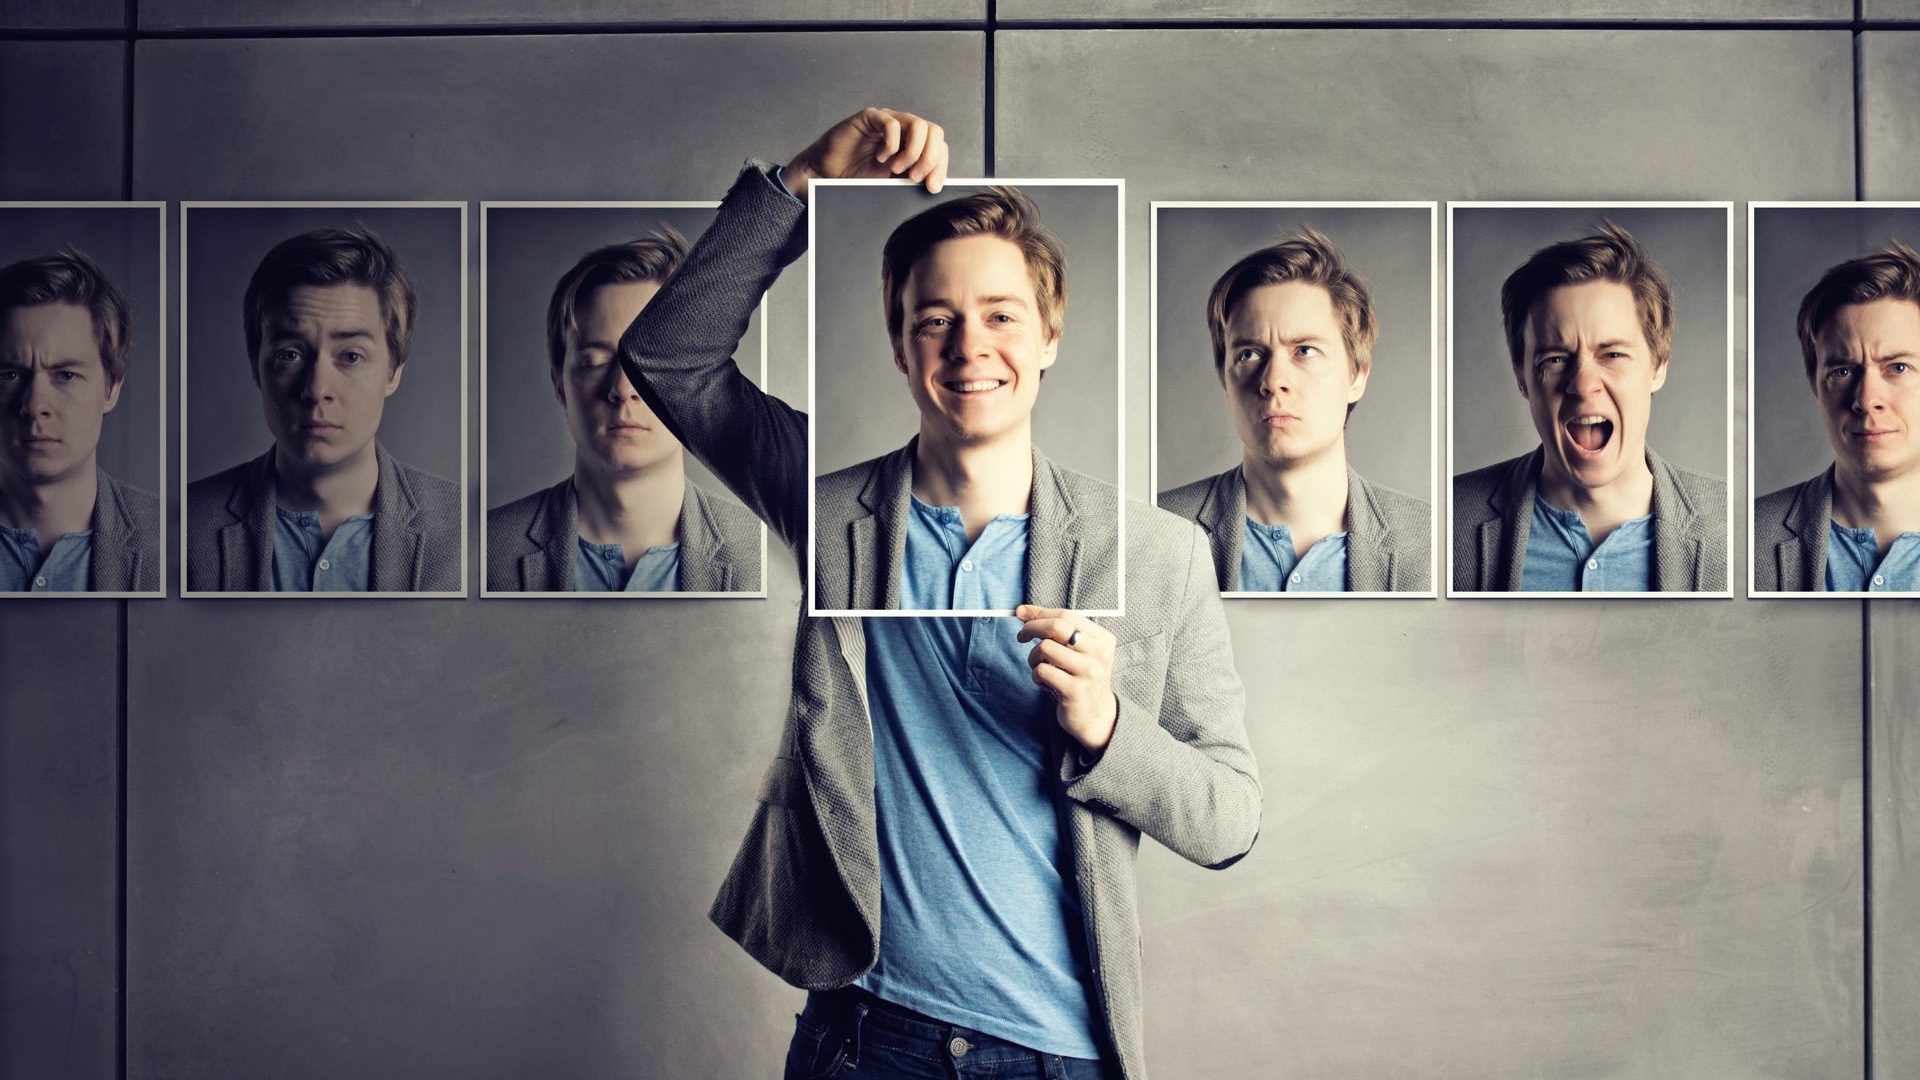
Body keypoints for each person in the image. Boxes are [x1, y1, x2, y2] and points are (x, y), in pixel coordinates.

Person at [616, 108, 1259, 1080]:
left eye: (1001, 315)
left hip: (1057, 1055)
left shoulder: (1157, 553)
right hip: (865, 1039)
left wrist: (1108, 724)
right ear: (900, 345)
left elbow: (1230, 818)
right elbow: (668, 356)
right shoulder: (826, 503)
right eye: (936, 319)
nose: (970, 345)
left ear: (1047, 337)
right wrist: (805, 179)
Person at [1452, 222, 1726, 592]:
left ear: (1658, 366)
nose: (1582, 385)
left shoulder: (1735, 529)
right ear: (1522, 377)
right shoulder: (1446, 522)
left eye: (1612, 354)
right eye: (1554, 359)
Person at [185, 225, 460, 593]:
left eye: (351, 356)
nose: (316, 390)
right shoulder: (183, 526)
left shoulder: (466, 533)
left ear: (393, 372)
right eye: (290, 355)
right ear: (257, 368)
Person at [486, 230, 761, 592]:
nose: (622, 389)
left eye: (652, 359)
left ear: (697, 381)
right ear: (559, 385)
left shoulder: (768, 557)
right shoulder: (481, 554)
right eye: (595, 361)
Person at [1159, 229, 1430, 592]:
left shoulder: (1432, 544)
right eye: (1249, 354)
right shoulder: (1154, 529)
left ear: (1356, 375)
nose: (1272, 381)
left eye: (1304, 350)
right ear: (1225, 381)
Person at [1755, 240, 1920, 591]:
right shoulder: (1744, 539)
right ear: (1816, 386)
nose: (1866, 399)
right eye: (1843, 372)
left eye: (1898, 367)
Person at [0, 248, 159, 592]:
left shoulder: (171, 543)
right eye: (10, 375)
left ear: (111, 389)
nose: (35, 405)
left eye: (66, 375)